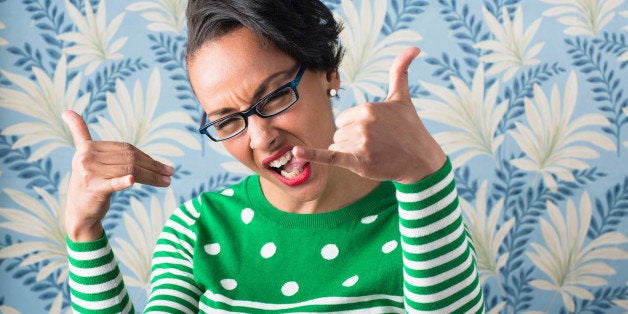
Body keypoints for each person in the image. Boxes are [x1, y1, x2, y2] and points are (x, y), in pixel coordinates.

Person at [62, 0, 484, 312]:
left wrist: (426, 172)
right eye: (227, 120)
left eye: (278, 94)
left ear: (328, 72)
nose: (261, 137)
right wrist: (83, 231)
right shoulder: (197, 228)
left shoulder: (417, 218)